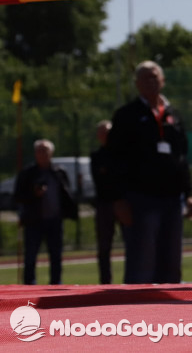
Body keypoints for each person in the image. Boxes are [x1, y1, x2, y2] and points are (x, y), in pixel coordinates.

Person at [108, 60, 192, 284]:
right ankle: (136, 314)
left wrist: (189, 193)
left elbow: (182, 157)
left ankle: (171, 315)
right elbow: (114, 159)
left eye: (154, 76)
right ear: (137, 84)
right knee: (142, 264)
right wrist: (118, 199)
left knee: (171, 265)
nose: (151, 81)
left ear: (163, 81)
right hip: (140, 199)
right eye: (145, 77)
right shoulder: (126, 115)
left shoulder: (173, 115)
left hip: (172, 200)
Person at [14, 140, 77, 285]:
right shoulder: (27, 174)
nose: (43, 154)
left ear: (51, 153)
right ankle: (29, 285)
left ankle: (56, 285)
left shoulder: (59, 172)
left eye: (46, 150)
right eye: (40, 150)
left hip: (55, 220)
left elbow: (67, 194)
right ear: (35, 153)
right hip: (33, 221)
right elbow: (18, 197)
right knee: (30, 256)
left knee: (56, 256)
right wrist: (33, 194)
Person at [89, 120, 118, 285]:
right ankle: (105, 282)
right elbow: (100, 180)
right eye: (102, 132)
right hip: (104, 204)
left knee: (134, 243)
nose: (105, 135)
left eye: (107, 132)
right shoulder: (96, 157)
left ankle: (135, 280)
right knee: (104, 246)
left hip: (123, 203)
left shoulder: (122, 154)